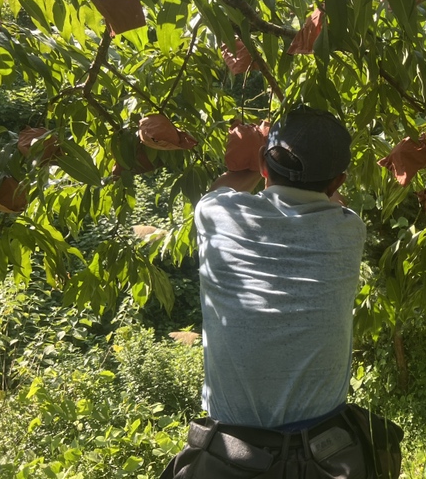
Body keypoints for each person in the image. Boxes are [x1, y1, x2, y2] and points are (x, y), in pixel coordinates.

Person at [161, 106, 400, 479]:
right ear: (338, 182)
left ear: (263, 166)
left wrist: (255, 158)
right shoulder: (349, 230)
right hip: (328, 454)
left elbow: (220, 189)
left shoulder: (216, 213)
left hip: (232, 455)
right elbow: (330, 204)